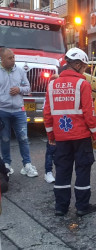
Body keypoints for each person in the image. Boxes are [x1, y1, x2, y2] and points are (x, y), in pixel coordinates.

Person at [43, 48, 96, 217]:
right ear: (76, 64)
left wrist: (51, 136)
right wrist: (95, 134)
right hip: (81, 137)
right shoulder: (83, 84)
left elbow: (47, 113)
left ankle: (61, 207)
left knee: (62, 170)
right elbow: (89, 113)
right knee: (82, 169)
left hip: (61, 137)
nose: (85, 70)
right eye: (84, 67)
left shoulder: (52, 84)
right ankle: (82, 206)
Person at [0, 47, 38, 178]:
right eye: (10, 58)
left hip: (19, 111)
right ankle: (6, 165)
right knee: (4, 139)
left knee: (23, 138)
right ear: (2, 59)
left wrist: (19, 89)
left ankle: (27, 165)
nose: (13, 60)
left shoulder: (20, 71)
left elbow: (28, 88)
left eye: (13, 57)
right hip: (3, 111)